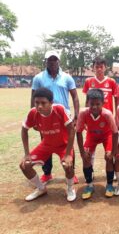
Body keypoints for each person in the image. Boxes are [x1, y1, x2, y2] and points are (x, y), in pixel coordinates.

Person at [31, 50, 80, 184]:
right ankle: (47, 173)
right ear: (46, 61)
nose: (52, 62)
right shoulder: (38, 78)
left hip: (63, 117)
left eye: (55, 60)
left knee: (68, 144)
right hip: (44, 117)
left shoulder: (67, 77)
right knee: (46, 143)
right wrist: (35, 116)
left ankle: (71, 173)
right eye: (50, 60)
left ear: (59, 61)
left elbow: (75, 96)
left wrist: (76, 115)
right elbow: (33, 96)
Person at [20, 88, 76, 202]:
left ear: (51, 103)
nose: (39, 106)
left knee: (68, 165)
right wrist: (26, 154)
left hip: (63, 145)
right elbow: (24, 130)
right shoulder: (33, 112)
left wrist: (68, 154)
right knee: (24, 165)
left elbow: (72, 130)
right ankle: (41, 188)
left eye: (43, 103)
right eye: (37, 103)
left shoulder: (59, 109)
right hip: (46, 144)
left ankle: (70, 188)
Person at [76, 89, 118, 199]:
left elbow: (115, 133)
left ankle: (109, 185)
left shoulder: (107, 114)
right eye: (91, 104)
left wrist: (113, 152)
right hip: (92, 136)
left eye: (97, 104)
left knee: (109, 158)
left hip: (106, 135)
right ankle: (89, 185)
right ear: (87, 103)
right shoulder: (83, 113)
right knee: (86, 158)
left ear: (103, 103)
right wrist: (82, 152)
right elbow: (78, 132)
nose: (94, 107)